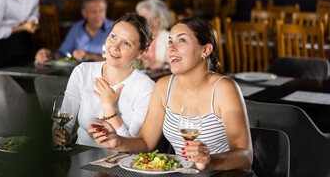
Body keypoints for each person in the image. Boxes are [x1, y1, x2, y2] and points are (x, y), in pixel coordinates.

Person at [89, 17, 253, 171]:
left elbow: (245, 156)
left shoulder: (224, 88)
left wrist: (209, 161)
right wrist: (117, 141)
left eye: (182, 40)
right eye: (170, 41)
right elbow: (146, 143)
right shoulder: (164, 86)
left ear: (206, 50)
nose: (171, 48)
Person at [52, 13, 156, 147]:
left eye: (126, 43)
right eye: (113, 37)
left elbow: (133, 147)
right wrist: (61, 135)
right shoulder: (82, 71)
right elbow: (65, 123)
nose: (114, 47)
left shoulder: (146, 88)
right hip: (80, 156)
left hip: (120, 163)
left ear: (142, 52)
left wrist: (108, 108)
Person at [35, 0, 113, 63]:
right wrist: (48, 53)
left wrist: (89, 55)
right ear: (84, 13)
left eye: (101, 11)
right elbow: (62, 54)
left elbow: (119, 61)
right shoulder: (77, 27)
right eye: (93, 12)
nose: (98, 16)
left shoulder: (114, 29)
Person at [136, 0, 172, 69]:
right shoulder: (137, 36)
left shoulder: (169, 38)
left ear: (156, 20)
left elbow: (183, 65)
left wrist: (163, 65)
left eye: (143, 17)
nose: (138, 21)